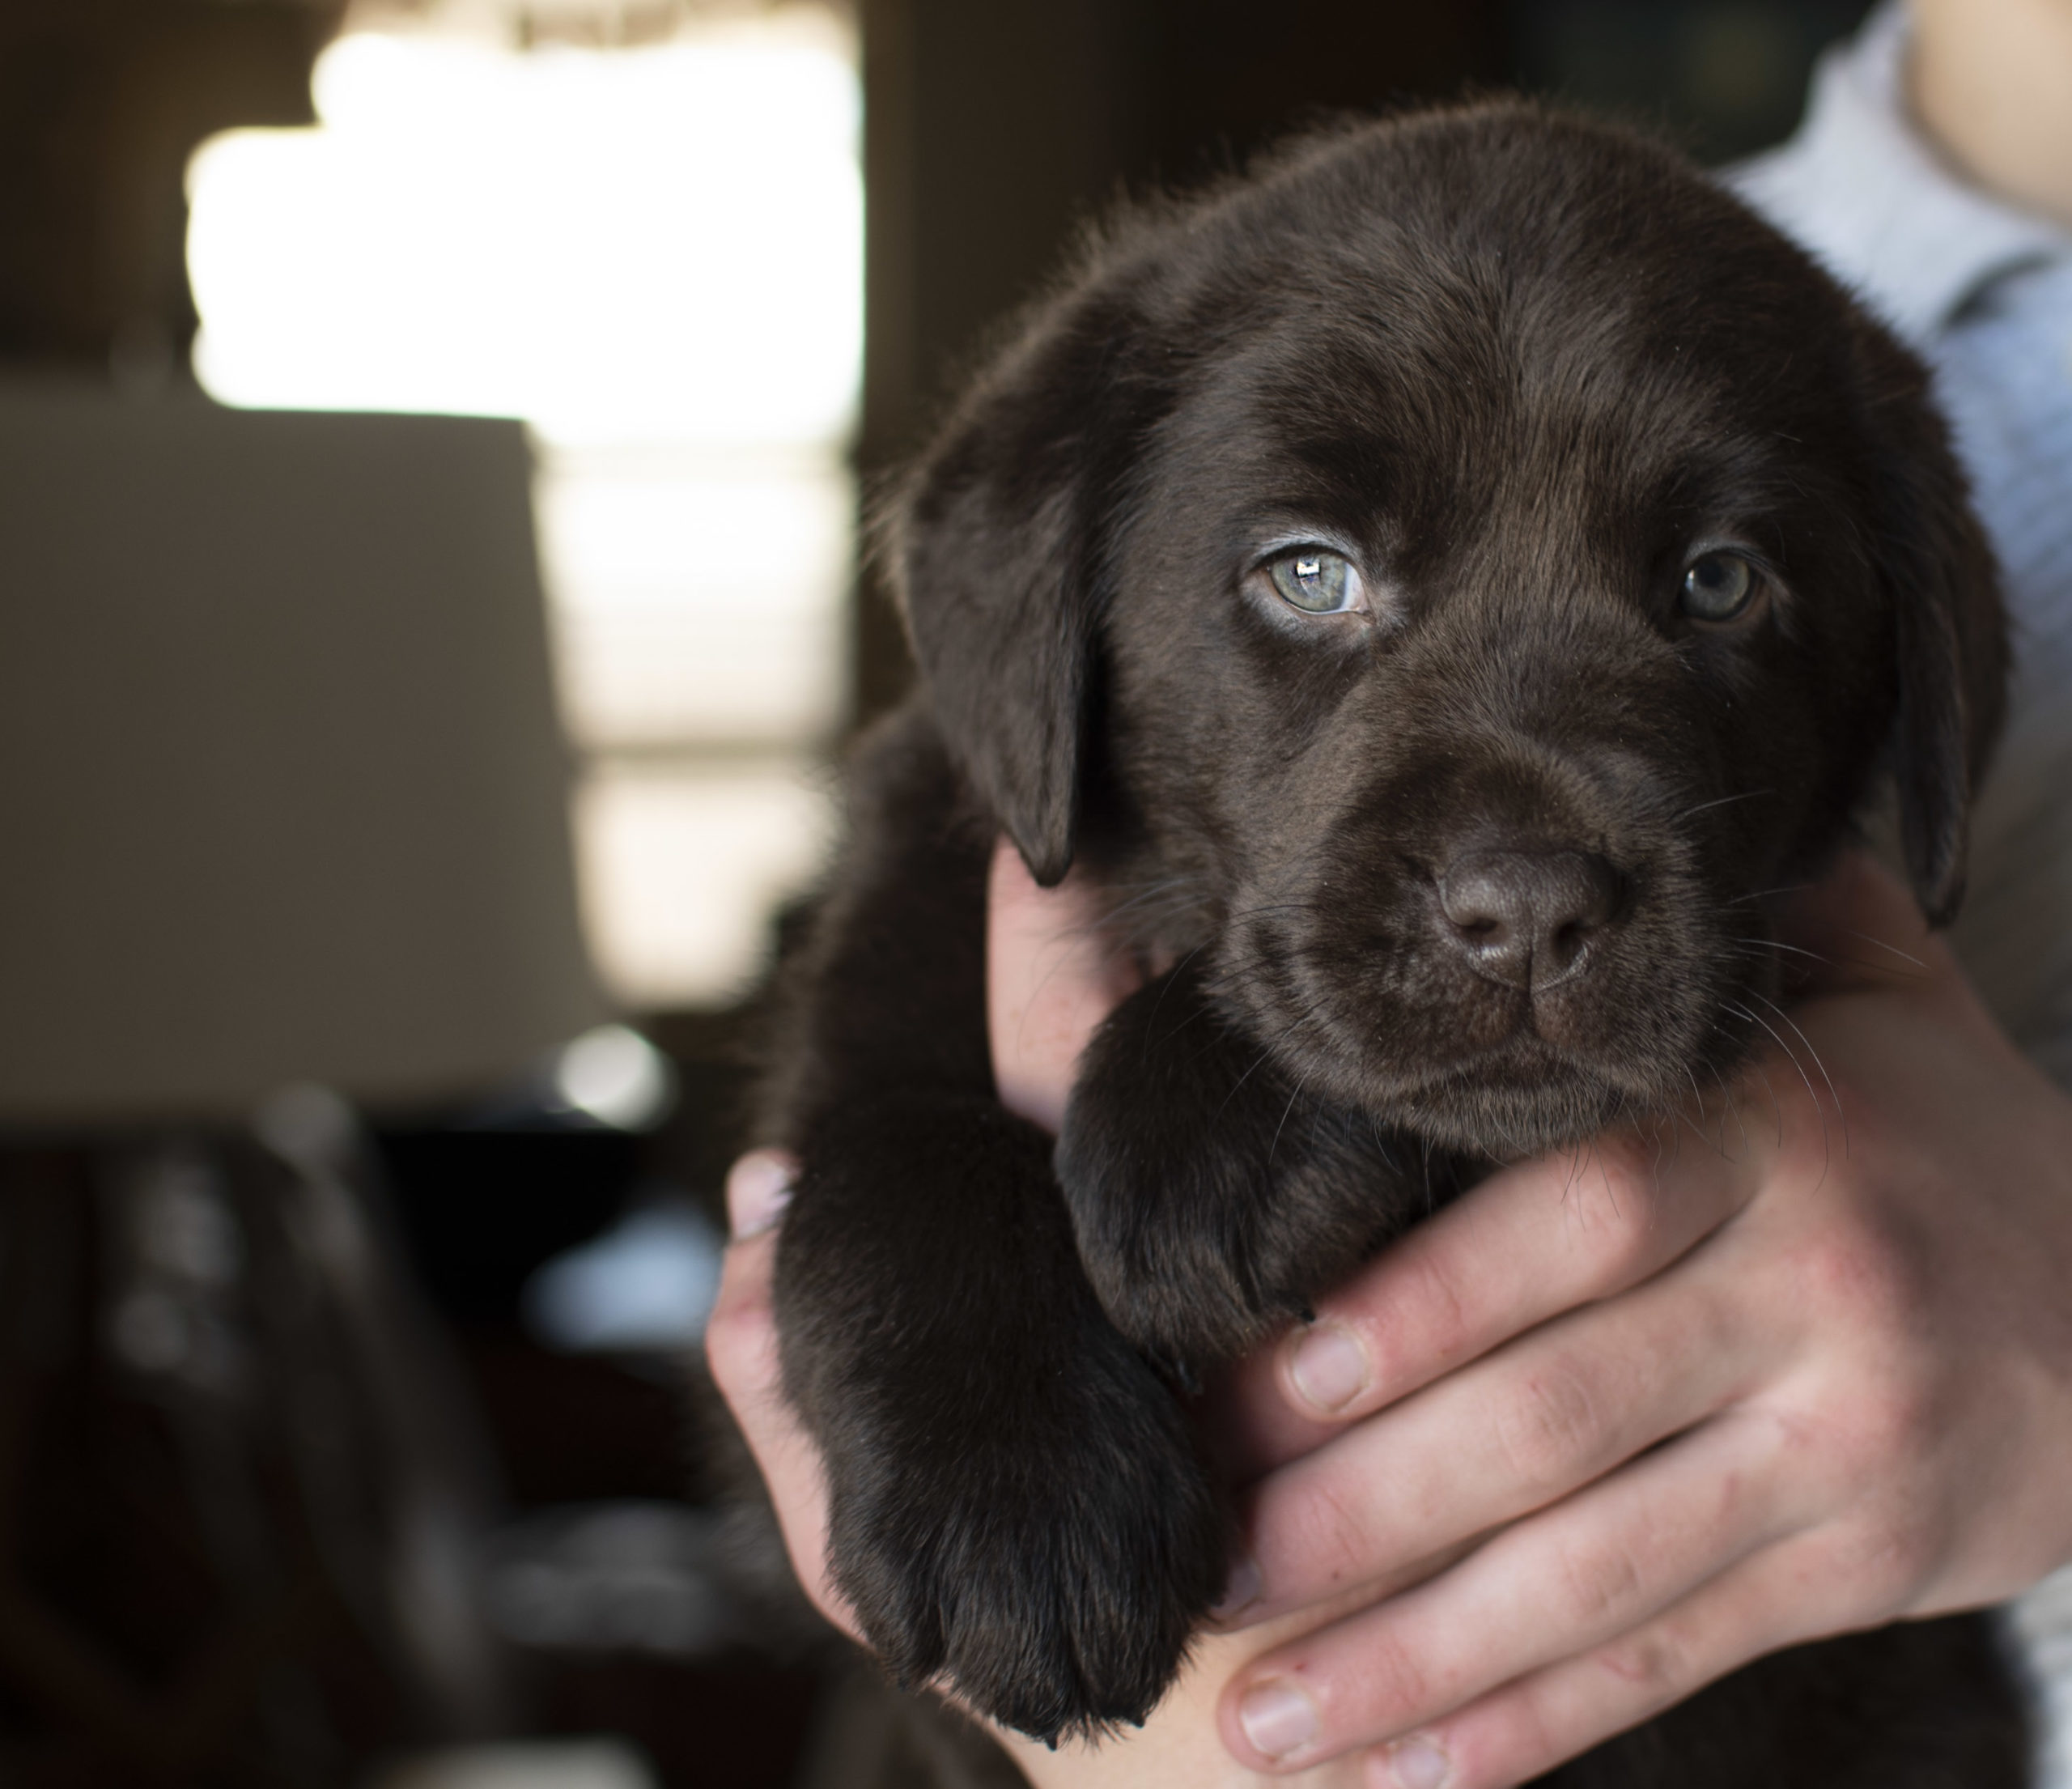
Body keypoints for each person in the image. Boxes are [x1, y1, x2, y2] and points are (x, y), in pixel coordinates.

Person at [709, 1, 2072, 1783]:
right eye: (1305, 570)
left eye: (1716, 585)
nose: (1518, 880)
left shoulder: (1820, 393)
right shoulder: (969, 831)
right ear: (1066, 616)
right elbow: (862, 1262)